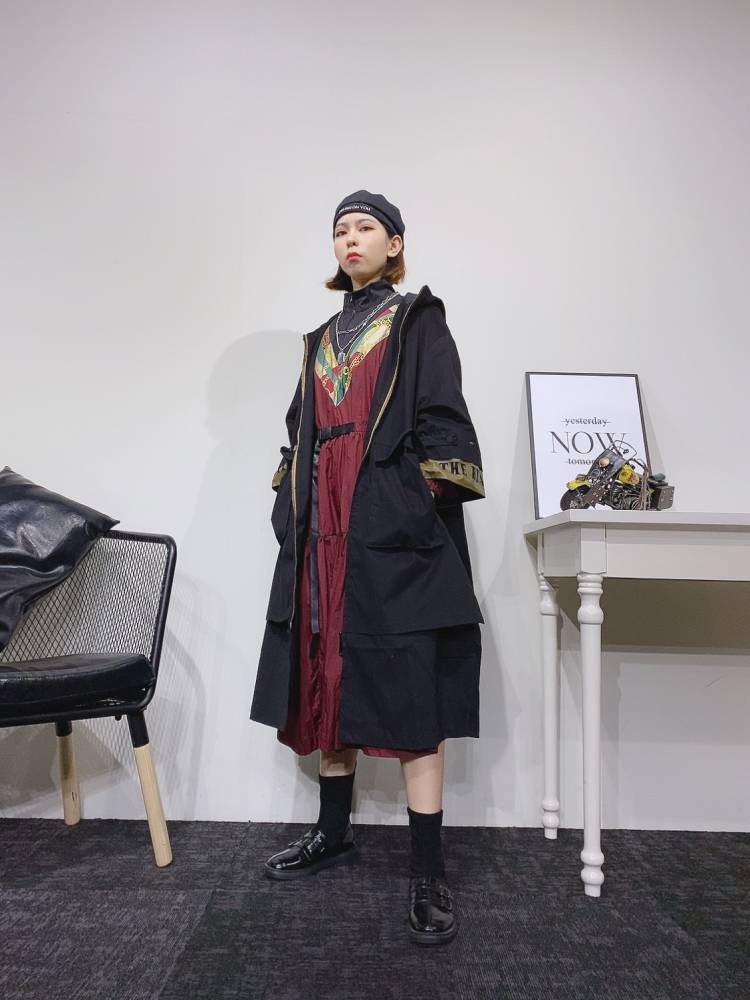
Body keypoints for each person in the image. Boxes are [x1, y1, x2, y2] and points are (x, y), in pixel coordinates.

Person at [250, 189, 485, 945]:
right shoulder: (319, 338)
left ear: (395, 243)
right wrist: (291, 501)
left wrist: (408, 499)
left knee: (410, 683)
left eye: (366, 227)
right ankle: (333, 832)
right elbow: (300, 429)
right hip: (321, 525)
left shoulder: (417, 319)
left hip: (386, 520)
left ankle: (427, 869)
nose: (350, 238)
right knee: (328, 667)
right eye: (340, 229)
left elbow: (443, 418)